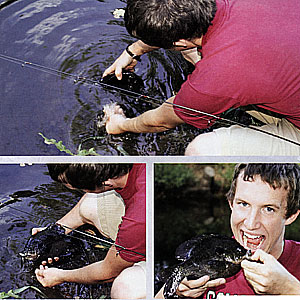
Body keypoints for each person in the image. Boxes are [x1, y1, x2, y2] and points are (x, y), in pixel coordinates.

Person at [102, 0, 300, 156]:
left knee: (202, 150)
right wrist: (134, 51)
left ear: (179, 42)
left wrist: (119, 124)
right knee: (194, 54)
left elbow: (161, 120)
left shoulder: (218, 76)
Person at [155, 163, 300, 298]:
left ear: (290, 216)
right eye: (243, 204)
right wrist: (179, 293)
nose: (251, 224)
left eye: (268, 209)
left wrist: (290, 290)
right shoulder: (210, 252)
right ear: (231, 204)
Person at [33, 163, 146, 299]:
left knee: (126, 289)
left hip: (152, 232)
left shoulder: (139, 219)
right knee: (90, 205)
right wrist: (56, 230)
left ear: (106, 184)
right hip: (143, 216)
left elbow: (107, 272)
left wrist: (60, 276)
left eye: (79, 188)